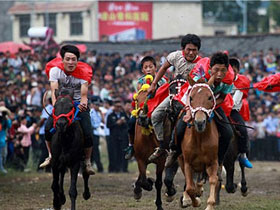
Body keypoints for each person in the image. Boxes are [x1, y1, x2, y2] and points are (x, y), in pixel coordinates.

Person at [165, 52, 234, 168]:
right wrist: (188, 111)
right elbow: (189, 92)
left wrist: (209, 106)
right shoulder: (200, 72)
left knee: (228, 132)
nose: (219, 74)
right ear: (210, 68)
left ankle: (219, 160)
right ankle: (174, 150)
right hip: (194, 100)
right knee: (180, 126)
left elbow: (222, 97)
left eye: (223, 70)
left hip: (212, 103)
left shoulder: (229, 78)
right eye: (216, 70)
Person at [40, 45, 95, 175]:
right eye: (68, 59)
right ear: (62, 60)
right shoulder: (55, 71)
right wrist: (56, 108)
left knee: (87, 131)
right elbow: (54, 91)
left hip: (76, 103)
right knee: (48, 128)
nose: (71, 62)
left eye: (74, 59)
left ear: (78, 60)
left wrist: (83, 104)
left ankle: (87, 162)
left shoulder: (84, 73)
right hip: (61, 104)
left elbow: (83, 96)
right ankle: (50, 155)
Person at [147, 34, 202, 162]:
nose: (191, 52)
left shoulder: (201, 63)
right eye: (188, 49)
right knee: (155, 116)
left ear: (198, 50)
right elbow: (163, 68)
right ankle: (162, 146)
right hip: (174, 94)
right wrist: (154, 84)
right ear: (183, 49)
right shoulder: (175, 56)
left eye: (194, 50)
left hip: (190, 97)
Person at [124, 55, 167, 160]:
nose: (148, 69)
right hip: (143, 108)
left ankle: (170, 147)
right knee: (131, 123)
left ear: (155, 68)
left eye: (150, 67)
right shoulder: (140, 82)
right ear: (142, 70)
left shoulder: (163, 81)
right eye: (146, 67)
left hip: (158, 108)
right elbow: (140, 94)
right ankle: (131, 146)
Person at [229, 57, 253, 168]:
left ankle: (243, 155)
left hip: (232, 111)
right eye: (228, 70)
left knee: (243, 129)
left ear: (237, 70)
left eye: (233, 70)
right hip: (219, 109)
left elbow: (234, 102)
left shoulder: (242, 82)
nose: (230, 73)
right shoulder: (222, 79)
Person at [106, 99, 129, 172]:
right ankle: (114, 168)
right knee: (114, 153)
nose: (119, 108)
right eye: (117, 106)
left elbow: (128, 124)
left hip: (122, 137)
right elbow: (108, 125)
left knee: (122, 153)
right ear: (114, 107)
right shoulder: (110, 115)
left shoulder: (123, 115)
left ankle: (123, 168)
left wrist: (124, 122)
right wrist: (116, 123)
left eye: (120, 106)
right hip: (114, 137)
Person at [90, 96, 104, 173]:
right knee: (95, 151)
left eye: (98, 105)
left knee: (95, 151)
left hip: (97, 133)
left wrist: (101, 113)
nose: (98, 106)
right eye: (96, 105)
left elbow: (102, 121)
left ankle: (97, 166)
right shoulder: (91, 112)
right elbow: (93, 124)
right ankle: (99, 167)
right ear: (93, 105)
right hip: (93, 133)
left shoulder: (97, 113)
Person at [0, 107, 12, 174]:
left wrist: (7, 119)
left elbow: (9, 126)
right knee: (0, 156)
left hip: (3, 140)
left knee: (4, 154)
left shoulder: (5, 120)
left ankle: (2, 167)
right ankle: (1, 168)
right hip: (1, 140)